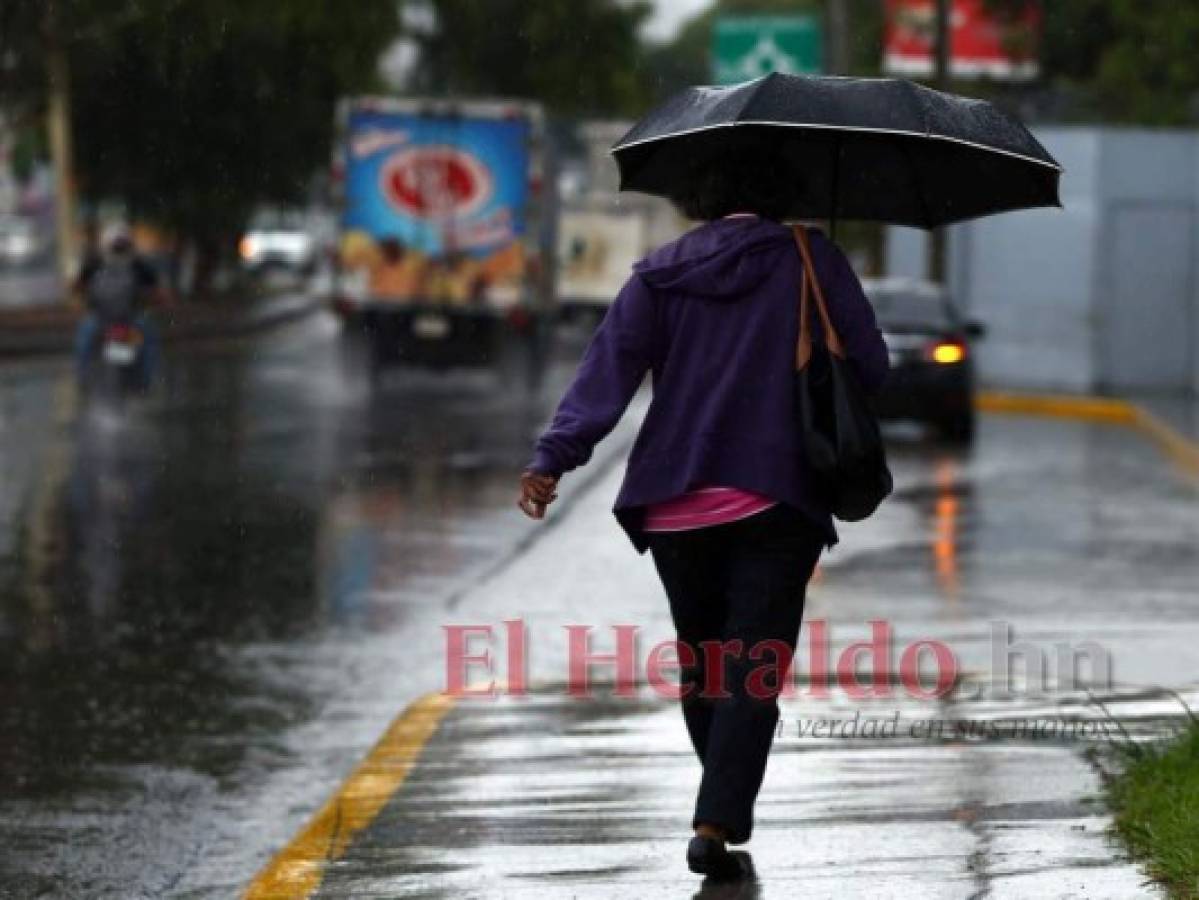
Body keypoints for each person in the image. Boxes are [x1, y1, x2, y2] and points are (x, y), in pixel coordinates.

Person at [518, 135, 890, 879]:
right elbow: (872, 370)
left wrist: (551, 459)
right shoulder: (811, 260)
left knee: (707, 665)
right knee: (752, 667)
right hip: (777, 495)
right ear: (783, 191)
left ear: (702, 198)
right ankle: (714, 821)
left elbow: (607, 375)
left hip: (674, 502)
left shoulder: (656, 275)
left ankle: (718, 807)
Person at [73, 223, 171, 388]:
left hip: (126, 318)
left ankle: (145, 380)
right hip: (108, 318)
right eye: (117, 245)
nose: (119, 249)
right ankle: (84, 379)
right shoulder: (95, 263)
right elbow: (78, 286)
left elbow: (159, 292)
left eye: (121, 245)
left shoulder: (137, 265)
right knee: (85, 340)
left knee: (147, 340)